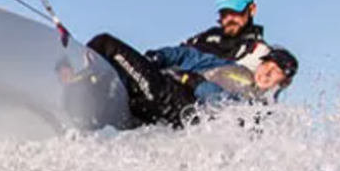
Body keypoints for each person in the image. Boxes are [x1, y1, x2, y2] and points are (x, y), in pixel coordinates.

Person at [85, 31, 299, 128]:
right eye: (267, 66)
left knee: (106, 44)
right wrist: (159, 57)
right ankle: (85, 102)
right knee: (117, 77)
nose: (266, 73)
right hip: (161, 93)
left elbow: (224, 107)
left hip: (173, 104)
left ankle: (78, 86)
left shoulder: (259, 109)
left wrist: (194, 82)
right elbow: (189, 56)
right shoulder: (232, 68)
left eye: (275, 73)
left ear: (283, 84)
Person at [180, 0, 271, 68]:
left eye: (235, 12)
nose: (229, 18)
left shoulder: (259, 51)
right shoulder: (206, 37)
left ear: (252, 10)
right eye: (224, 13)